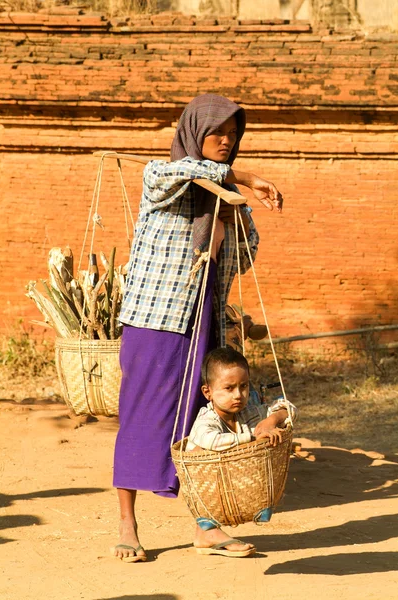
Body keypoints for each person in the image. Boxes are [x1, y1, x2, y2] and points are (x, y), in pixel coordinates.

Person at [112, 93, 284, 562]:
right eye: (217, 132)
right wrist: (247, 178)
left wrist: (236, 216)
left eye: (233, 134)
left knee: (201, 424)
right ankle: (128, 523)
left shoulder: (224, 198)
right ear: (193, 131)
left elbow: (246, 255)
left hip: (203, 320)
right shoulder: (162, 179)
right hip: (156, 322)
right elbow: (182, 171)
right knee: (143, 418)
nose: (226, 141)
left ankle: (205, 527)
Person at [186, 347, 297, 557]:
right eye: (228, 388)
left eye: (244, 386)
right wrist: (253, 437)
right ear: (207, 392)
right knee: (206, 451)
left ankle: (206, 534)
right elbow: (212, 440)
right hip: (210, 486)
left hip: (241, 484)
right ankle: (207, 530)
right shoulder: (206, 419)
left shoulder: (250, 412)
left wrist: (270, 420)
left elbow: (289, 408)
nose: (238, 395)